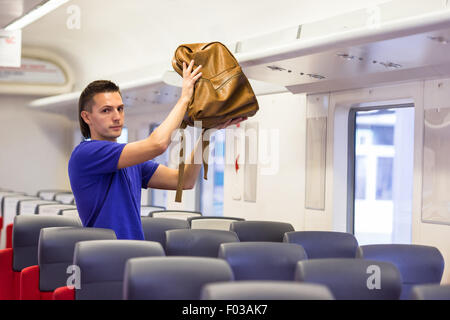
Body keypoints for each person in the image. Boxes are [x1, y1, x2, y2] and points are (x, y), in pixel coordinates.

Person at [68, 60, 246, 240]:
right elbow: (158, 144)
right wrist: (184, 98)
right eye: (106, 110)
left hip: (135, 255)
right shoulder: (85, 154)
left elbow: (184, 181)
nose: (116, 117)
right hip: (104, 257)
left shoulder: (131, 161)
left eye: (120, 109)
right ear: (87, 117)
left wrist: (208, 132)